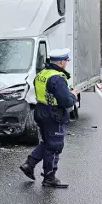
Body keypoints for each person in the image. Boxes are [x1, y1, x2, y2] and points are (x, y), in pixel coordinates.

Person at [19, 48, 78, 188]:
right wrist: (73, 95)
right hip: (54, 114)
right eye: (67, 61)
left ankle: (30, 164)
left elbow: (46, 92)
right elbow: (66, 101)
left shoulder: (42, 74)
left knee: (47, 142)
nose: (67, 63)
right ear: (62, 62)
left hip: (41, 110)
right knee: (54, 145)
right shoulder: (57, 78)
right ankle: (49, 177)